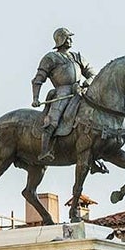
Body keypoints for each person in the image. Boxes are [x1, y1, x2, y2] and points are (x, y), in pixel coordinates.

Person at [31, 27, 96, 162]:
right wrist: (36, 98)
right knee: (53, 121)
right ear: (61, 39)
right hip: (62, 93)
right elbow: (38, 79)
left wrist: (86, 83)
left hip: (80, 92)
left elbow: (92, 74)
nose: (70, 40)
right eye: (68, 37)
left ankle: (94, 152)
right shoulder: (51, 58)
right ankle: (44, 150)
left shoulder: (77, 57)